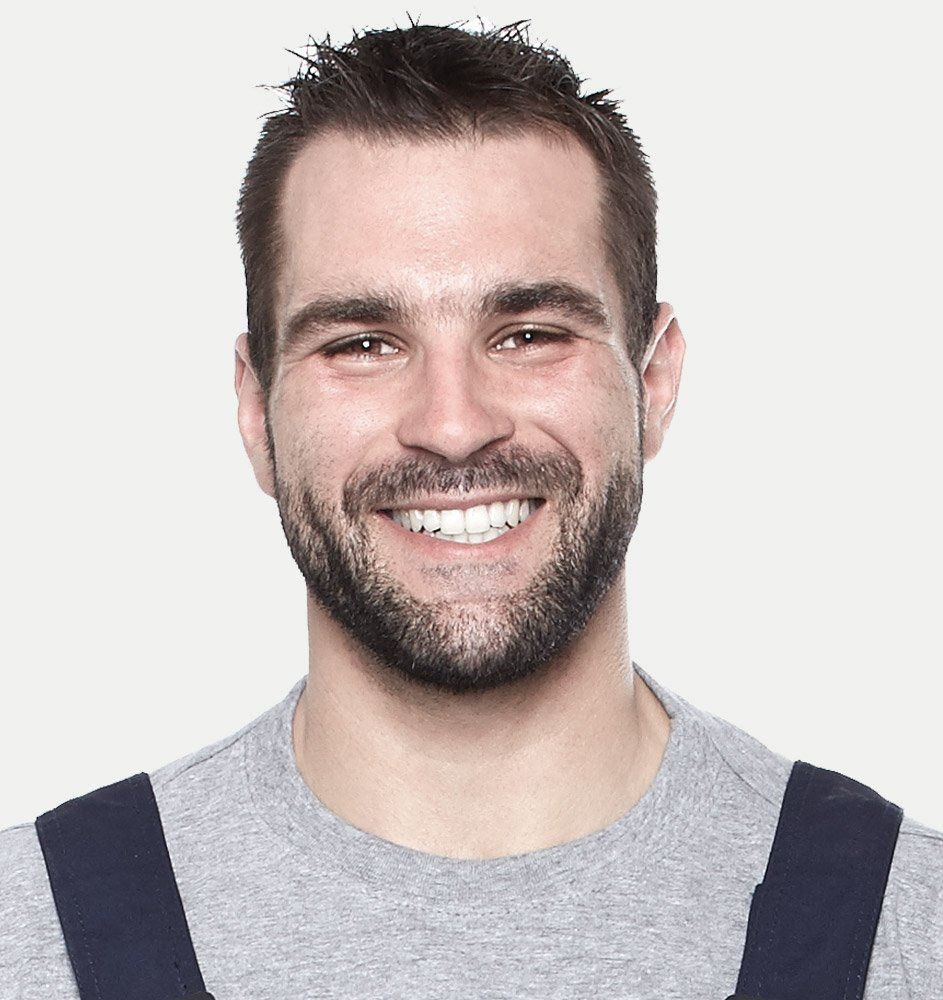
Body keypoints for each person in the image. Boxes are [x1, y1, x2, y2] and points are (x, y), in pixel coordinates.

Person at [1, 20, 940, 1000]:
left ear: (653, 381)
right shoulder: (30, 936)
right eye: (361, 343)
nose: (452, 425)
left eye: (529, 332)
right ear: (255, 410)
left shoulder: (912, 930)